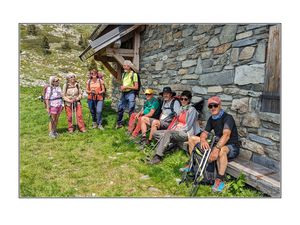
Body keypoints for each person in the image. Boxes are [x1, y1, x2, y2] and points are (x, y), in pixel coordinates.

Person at [188, 96, 239, 192]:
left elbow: (226, 135)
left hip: (231, 146)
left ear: (220, 105)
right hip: (217, 143)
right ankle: (193, 165)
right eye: (210, 106)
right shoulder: (212, 118)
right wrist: (203, 140)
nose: (213, 108)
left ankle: (220, 179)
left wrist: (216, 149)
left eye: (215, 105)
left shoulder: (228, 118)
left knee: (221, 150)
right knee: (192, 139)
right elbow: (204, 133)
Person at [149, 90, 201, 164]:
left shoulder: (192, 110)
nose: (183, 101)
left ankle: (158, 156)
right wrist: (172, 129)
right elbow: (175, 122)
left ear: (189, 100)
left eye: (185, 99)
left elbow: (188, 126)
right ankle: (168, 146)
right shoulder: (181, 109)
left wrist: (177, 130)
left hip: (186, 133)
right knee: (155, 133)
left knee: (168, 133)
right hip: (177, 132)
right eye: (181, 99)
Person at [116, 60, 139, 129]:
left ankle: (131, 126)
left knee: (131, 109)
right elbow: (124, 84)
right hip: (124, 93)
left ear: (130, 67)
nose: (124, 67)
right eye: (124, 66)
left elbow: (136, 87)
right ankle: (119, 123)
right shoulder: (124, 74)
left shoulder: (134, 74)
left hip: (131, 93)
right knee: (120, 108)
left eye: (126, 66)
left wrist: (126, 87)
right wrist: (122, 87)